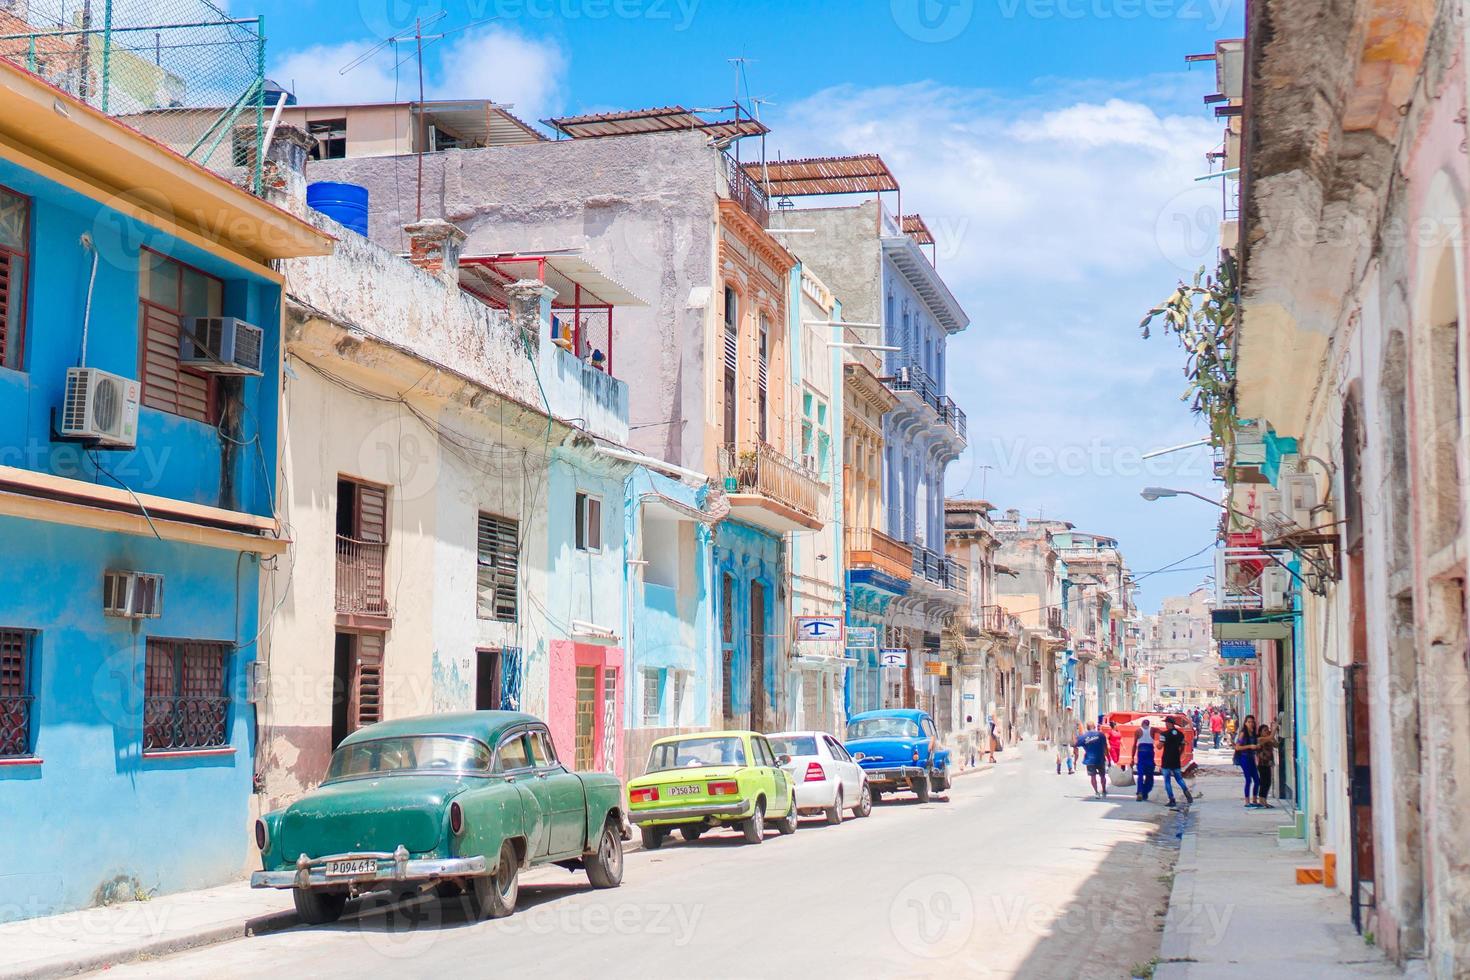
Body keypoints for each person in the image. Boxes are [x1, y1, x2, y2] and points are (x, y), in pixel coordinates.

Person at [1159, 715, 1193, 808]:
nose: (1165, 724)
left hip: (1166, 760)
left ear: (1169, 724)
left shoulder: (1164, 735)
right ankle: (1186, 792)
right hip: (1175, 760)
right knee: (1179, 778)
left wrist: (1159, 743)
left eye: (1166, 723)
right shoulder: (1180, 734)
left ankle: (1172, 800)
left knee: (1167, 781)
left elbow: (1159, 746)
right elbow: (1182, 746)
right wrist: (1179, 753)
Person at [1075, 722, 1110, 798]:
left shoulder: (1084, 737)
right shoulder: (1101, 735)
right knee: (1102, 776)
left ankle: (1097, 792)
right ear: (1095, 726)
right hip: (1100, 758)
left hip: (1090, 760)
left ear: (1087, 728)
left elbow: (1075, 743)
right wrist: (1109, 759)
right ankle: (1104, 790)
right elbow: (1105, 748)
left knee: (1093, 777)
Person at [1234, 714, 1261, 807]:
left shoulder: (1253, 734)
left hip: (1251, 758)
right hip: (1244, 758)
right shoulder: (1243, 734)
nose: (1251, 724)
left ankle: (1254, 800)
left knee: (1257, 780)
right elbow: (1237, 747)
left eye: (1252, 722)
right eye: (1249, 722)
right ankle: (1247, 801)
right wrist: (1250, 746)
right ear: (1245, 723)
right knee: (1248, 780)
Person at [1134, 719, 1156, 802]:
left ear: (1142, 724)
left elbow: (1134, 745)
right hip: (1150, 753)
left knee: (1140, 775)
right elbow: (1162, 732)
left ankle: (1140, 792)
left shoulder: (1138, 731)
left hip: (1141, 753)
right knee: (1149, 776)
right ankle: (1145, 792)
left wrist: (1132, 758)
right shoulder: (1152, 729)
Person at [1256, 724, 1277, 807]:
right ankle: (1262, 800)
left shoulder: (1269, 739)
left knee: (1267, 782)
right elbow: (1270, 737)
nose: (1267, 731)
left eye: (1267, 729)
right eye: (1265, 730)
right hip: (1262, 764)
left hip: (1268, 764)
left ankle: (1264, 800)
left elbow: (1276, 745)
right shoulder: (1260, 739)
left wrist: (1273, 737)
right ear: (1260, 732)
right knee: (1264, 782)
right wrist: (1274, 729)